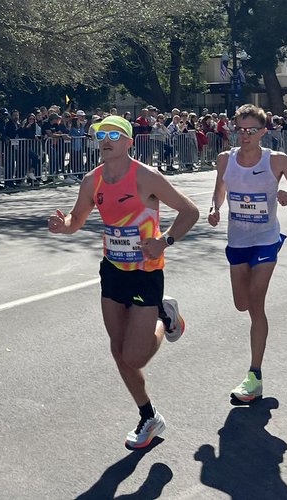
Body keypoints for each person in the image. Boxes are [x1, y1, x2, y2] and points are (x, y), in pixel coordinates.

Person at [47, 114, 199, 451]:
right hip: (113, 270)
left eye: (114, 134)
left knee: (135, 357)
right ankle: (148, 416)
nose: (106, 139)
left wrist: (165, 241)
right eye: (101, 133)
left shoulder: (146, 177)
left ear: (129, 142)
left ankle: (164, 315)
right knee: (118, 352)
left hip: (146, 272)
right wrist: (64, 225)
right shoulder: (93, 181)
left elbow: (190, 212)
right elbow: (77, 219)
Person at [207, 104, 287, 402]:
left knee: (255, 302)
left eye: (251, 130)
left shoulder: (276, 160)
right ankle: (254, 374)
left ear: (264, 132)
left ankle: (255, 375)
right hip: (238, 241)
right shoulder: (225, 159)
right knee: (241, 304)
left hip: (266, 240)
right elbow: (220, 191)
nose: (245, 135)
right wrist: (214, 208)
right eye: (240, 129)